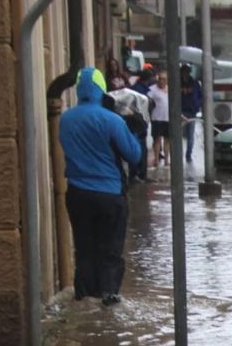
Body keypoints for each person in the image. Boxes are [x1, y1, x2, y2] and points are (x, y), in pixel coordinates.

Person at [58, 67, 142, 306]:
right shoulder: (112, 120)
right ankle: (109, 301)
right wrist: (134, 130)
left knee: (84, 250)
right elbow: (133, 155)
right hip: (109, 195)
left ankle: (84, 300)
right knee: (110, 252)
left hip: (77, 194)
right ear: (101, 90)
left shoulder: (65, 119)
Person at [179, 64, 203, 162]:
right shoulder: (177, 82)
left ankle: (188, 154)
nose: (185, 74)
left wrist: (196, 104)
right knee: (179, 134)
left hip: (191, 110)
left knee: (190, 134)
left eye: (187, 72)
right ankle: (178, 154)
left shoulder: (194, 83)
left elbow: (200, 96)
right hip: (181, 110)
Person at [146, 70, 170, 167]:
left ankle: (166, 160)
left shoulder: (169, 89)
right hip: (156, 118)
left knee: (167, 140)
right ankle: (156, 159)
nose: (161, 81)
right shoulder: (152, 90)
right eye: (160, 79)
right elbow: (147, 102)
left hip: (168, 118)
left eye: (164, 79)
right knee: (157, 139)